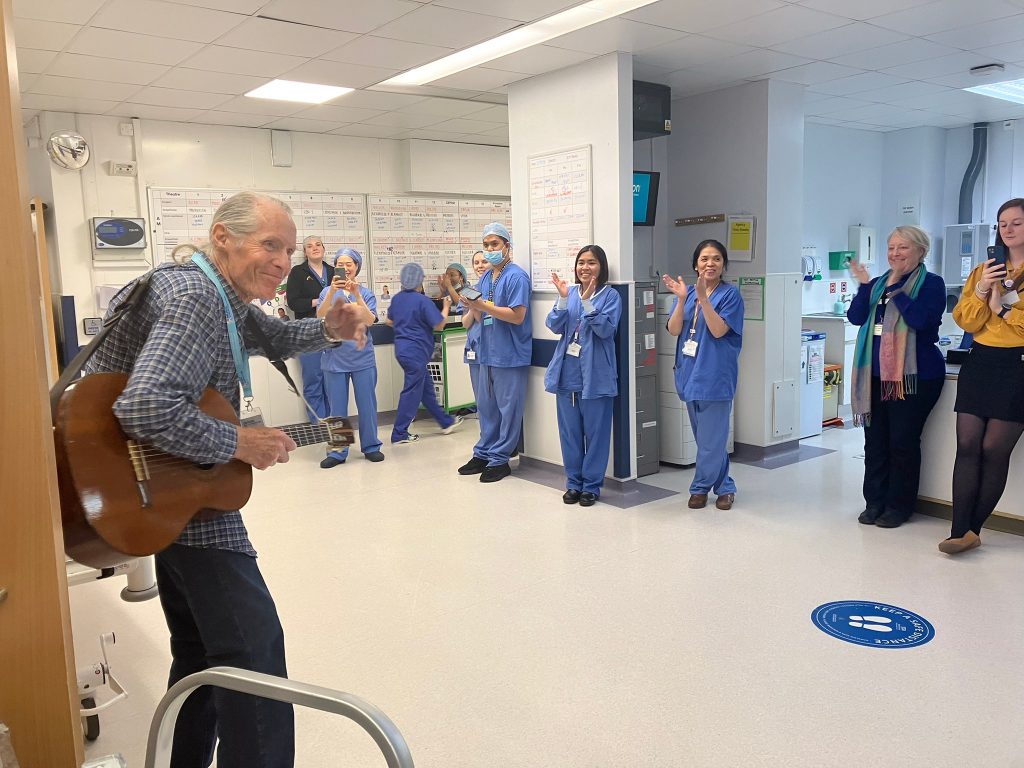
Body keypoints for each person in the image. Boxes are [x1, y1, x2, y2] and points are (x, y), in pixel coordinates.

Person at [82, 192, 367, 768]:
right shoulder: (195, 299)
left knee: (201, 655)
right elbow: (146, 407)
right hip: (176, 492)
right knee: (254, 656)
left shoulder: (212, 290)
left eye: (288, 248)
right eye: (270, 244)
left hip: (160, 492)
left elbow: (272, 338)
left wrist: (327, 329)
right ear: (223, 237)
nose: (283, 259)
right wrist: (237, 441)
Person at [847, 226, 946, 529]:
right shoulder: (877, 284)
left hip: (914, 377)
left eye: (902, 248)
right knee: (874, 442)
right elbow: (856, 317)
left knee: (902, 442)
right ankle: (874, 502)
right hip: (874, 376)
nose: (895, 254)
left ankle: (898, 506)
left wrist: (896, 292)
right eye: (891, 248)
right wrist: (866, 286)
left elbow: (921, 321)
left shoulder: (931, 284)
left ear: (920, 251)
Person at [943, 197, 1024, 554]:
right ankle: (958, 530)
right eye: (1003, 223)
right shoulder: (984, 269)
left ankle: (972, 529)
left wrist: (1003, 307)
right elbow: (966, 321)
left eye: (1016, 223)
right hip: (981, 361)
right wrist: (980, 291)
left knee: (994, 449)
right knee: (968, 445)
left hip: (1017, 365)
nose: (1008, 229)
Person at [664, 239, 744, 511]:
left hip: (715, 377)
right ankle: (725, 487)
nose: (710, 263)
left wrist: (702, 299)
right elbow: (674, 330)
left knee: (711, 442)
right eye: (704, 259)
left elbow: (719, 330)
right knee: (708, 440)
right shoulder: (687, 294)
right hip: (689, 374)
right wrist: (683, 300)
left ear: (723, 265)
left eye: (716, 259)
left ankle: (699, 488)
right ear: (695, 264)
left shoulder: (730, 295)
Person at [544, 245, 621, 507]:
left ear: (602, 267)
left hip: (597, 376)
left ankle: (591, 486)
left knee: (596, 435)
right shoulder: (570, 293)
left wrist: (588, 302)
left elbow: (605, 331)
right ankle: (573, 483)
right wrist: (563, 299)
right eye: (581, 263)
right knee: (570, 434)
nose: (585, 268)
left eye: (591, 263)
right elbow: (554, 325)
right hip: (567, 375)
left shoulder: (610, 296)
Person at [457, 223, 531, 483]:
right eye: (486, 245)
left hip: (509, 353)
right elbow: (478, 314)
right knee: (486, 407)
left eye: (494, 245)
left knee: (508, 408)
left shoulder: (516, 276)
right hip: (486, 351)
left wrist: (483, 305)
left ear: (507, 246)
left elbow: (517, 316)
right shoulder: (486, 277)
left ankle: (500, 458)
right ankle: (485, 451)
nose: (489, 250)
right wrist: (471, 305)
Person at [316, 247, 384, 467]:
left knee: (367, 404)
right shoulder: (327, 291)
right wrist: (330, 293)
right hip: (334, 358)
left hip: (361, 357)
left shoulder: (365, 293)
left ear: (356, 268)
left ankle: (371, 446)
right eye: (341, 264)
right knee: (337, 408)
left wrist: (355, 296)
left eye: (349, 264)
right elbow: (320, 315)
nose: (345, 268)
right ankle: (338, 451)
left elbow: (370, 320)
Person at [386, 262, 464, 443]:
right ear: (420, 280)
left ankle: (445, 422)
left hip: (403, 350)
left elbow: (389, 322)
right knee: (411, 391)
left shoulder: (397, 299)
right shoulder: (422, 300)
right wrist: (445, 307)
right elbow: (439, 325)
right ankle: (399, 433)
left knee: (426, 388)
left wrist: (406, 326)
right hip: (417, 352)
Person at [286, 235, 334, 422]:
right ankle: (318, 424)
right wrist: (319, 301)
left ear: (324, 248)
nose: (314, 248)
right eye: (309, 246)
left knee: (332, 379)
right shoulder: (298, 272)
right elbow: (293, 303)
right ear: (305, 252)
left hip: (333, 332)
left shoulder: (334, 271)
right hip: (308, 333)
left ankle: (334, 421)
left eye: (318, 244)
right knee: (313, 379)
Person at [461, 251, 489, 402]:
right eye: (476, 263)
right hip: (474, 349)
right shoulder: (470, 290)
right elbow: (466, 323)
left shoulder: (492, 289)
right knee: (480, 397)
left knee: (490, 397)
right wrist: (472, 306)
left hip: (490, 347)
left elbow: (483, 320)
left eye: (484, 262)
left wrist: (476, 305)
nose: (480, 266)